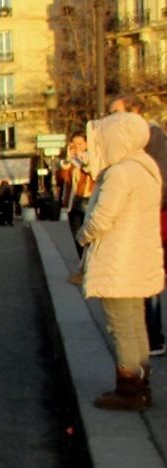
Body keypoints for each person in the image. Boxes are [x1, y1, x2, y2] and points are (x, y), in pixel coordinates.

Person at [77, 111, 163, 410]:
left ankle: (129, 389)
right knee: (136, 324)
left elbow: (102, 216)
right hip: (138, 259)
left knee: (122, 327)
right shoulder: (146, 168)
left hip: (118, 262)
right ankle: (141, 381)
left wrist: (83, 235)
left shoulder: (121, 172)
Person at [111, 95, 167, 358]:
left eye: (116, 113)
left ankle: (153, 338)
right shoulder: (139, 141)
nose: (112, 120)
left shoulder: (152, 139)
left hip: (153, 222)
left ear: (135, 113)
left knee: (147, 282)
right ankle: (146, 340)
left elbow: (160, 184)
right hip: (148, 221)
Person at [61, 130, 96, 276]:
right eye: (74, 144)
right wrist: (68, 161)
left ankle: (89, 267)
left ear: (87, 144)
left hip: (89, 198)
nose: (78, 147)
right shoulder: (70, 162)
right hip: (74, 201)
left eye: (80, 144)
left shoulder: (92, 158)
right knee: (77, 235)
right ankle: (83, 266)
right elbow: (64, 179)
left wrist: (81, 161)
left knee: (88, 235)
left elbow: (92, 173)